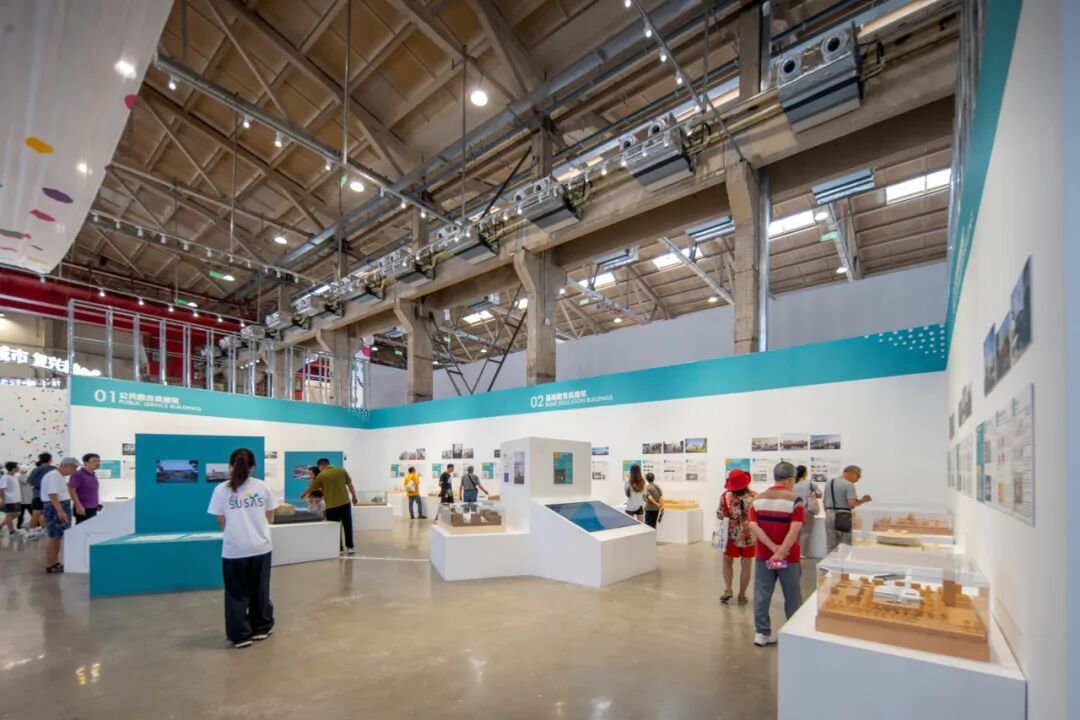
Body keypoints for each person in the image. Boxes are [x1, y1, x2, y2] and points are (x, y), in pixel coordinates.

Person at [207, 447, 278, 649]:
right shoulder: (262, 486)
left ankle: (240, 635)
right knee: (260, 589)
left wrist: (235, 533)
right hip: (260, 547)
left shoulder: (221, 489)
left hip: (234, 550)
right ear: (253, 466)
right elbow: (269, 515)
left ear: (231, 466)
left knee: (236, 593)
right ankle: (261, 628)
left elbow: (220, 519)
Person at [748, 461, 805, 647]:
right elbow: (795, 528)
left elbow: (753, 526)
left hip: (764, 556)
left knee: (762, 594)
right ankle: (793, 634)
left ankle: (761, 633)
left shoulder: (757, 500)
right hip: (789, 557)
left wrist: (773, 548)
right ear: (790, 479)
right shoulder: (795, 500)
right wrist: (780, 552)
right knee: (792, 594)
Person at [302, 458, 359, 555]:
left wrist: (303, 495)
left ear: (320, 466)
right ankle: (350, 547)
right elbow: (350, 485)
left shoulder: (321, 475)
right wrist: (354, 497)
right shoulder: (341, 470)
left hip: (332, 506)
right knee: (347, 525)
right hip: (345, 503)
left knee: (334, 527)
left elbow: (311, 488)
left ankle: (339, 548)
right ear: (328, 464)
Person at [717, 469, 756, 605]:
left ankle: (728, 589)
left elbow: (720, 514)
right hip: (749, 535)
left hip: (730, 535)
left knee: (727, 561)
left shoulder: (725, 496)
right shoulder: (754, 497)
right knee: (746, 565)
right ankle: (742, 595)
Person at [41, 457, 79, 573]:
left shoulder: (58, 476)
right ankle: (51, 563)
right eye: (74, 468)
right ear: (65, 466)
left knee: (57, 536)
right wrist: (60, 511)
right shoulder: (54, 476)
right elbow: (52, 494)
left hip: (60, 506)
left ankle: (54, 562)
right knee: (54, 536)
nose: (75, 471)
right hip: (56, 507)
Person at [824, 465, 871, 551]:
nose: (857, 480)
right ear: (852, 473)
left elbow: (824, 500)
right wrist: (863, 500)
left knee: (831, 543)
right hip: (843, 515)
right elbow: (851, 503)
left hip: (829, 514)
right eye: (858, 476)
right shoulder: (848, 484)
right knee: (845, 544)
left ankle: (831, 559)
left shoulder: (829, 483)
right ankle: (843, 559)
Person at [792, 465, 821, 555]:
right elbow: (819, 495)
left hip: (793, 510)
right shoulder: (810, 483)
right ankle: (802, 554)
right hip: (807, 510)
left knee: (794, 533)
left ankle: (794, 553)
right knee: (805, 533)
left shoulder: (792, 483)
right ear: (805, 473)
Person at [26, 452, 55, 539]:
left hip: (38, 495)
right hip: (50, 495)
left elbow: (29, 481)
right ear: (50, 459)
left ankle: (33, 531)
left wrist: (37, 485)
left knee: (37, 514)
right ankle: (40, 530)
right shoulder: (54, 469)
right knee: (43, 513)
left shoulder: (36, 469)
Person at [69, 453, 102, 524]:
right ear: (85, 463)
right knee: (82, 528)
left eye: (99, 461)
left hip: (93, 508)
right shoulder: (78, 474)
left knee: (91, 528)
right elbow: (71, 490)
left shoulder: (93, 474)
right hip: (83, 508)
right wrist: (78, 506)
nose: (97, 463)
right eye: (94, 461)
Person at [1, 461, 23, 536]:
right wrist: (3, 499)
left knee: (18, 513)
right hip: (9, 500)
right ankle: (11, 531)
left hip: (16, 499)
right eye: (17, 466)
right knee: (9, 514)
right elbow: (1, 489)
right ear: (13, 468)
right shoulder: (5, 477)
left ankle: (1, 526)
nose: (19, 468)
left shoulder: (14, 476)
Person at [17, 466, 33, 532]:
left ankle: (19, 526)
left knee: (20, 514)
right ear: (27, 471)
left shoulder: (17, 478)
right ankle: (37, 524)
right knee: (33, 513)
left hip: (21, 500)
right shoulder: (30, 477)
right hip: (29, 499)